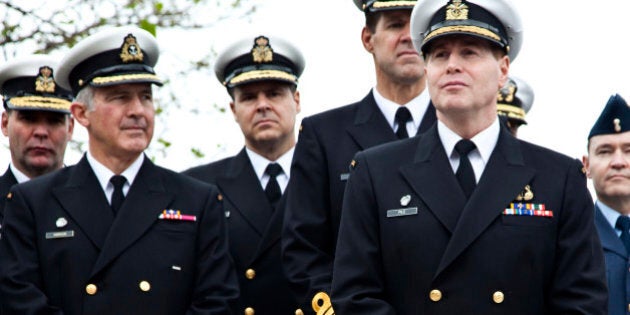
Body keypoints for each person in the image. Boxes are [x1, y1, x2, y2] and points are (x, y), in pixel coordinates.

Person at [330, 0, 608, 314]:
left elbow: (582, 302)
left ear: (503, 69)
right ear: (427, 70)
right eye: (440, 54)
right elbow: (355, 297)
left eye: (469, 52)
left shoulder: (558, 178)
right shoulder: (375, 172)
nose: (452, 65)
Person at [0, 26, 239, 314]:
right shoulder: (33, 203)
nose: (138, 110)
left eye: (145, 97)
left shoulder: (197, 200)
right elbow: (21, 302)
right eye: (120, 97)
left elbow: (217, 302)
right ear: (81, 114)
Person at [281, 1, 437, 312]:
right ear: (368, 38)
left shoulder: (464, 134)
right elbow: (303, 250)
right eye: (394, 25)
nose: (408, 36)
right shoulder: (324, 135)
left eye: (416, 26)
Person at [184, 34, 304, 315]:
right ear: (233, 110)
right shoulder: (196, 187)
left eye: (274, 93)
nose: (262, 105)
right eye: (249, 97)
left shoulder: (332, 177)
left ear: (296, 100)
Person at [0, 55, 74, 220]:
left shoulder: (94, 202)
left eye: (54, 121)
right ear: (5, 123)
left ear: (70, 128)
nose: (41, 132)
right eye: (29, 119)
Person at [583, 93, 630, 315]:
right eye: (605, 151)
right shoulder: (570, 238)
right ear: (587, 165)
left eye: (629, 150)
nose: (619, 162)